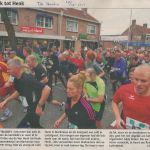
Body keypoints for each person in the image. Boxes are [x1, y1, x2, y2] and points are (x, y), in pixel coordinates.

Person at [0, 59, 50, 128]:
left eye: (9, 69)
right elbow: (18, 91)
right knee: (34, 125)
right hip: (30, 106)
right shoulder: (16, 79)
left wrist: (39, 106)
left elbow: (47, 89)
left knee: (24, 127)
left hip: (36, 106)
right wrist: (6, 101)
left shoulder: (27, 79)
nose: (7, 71)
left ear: (17, 68)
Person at [112, 64, 150, 129]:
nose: (138, 84)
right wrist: (118, 118)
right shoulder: (124, 89)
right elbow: (114, 102)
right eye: (136, 79)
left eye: (143, 81)